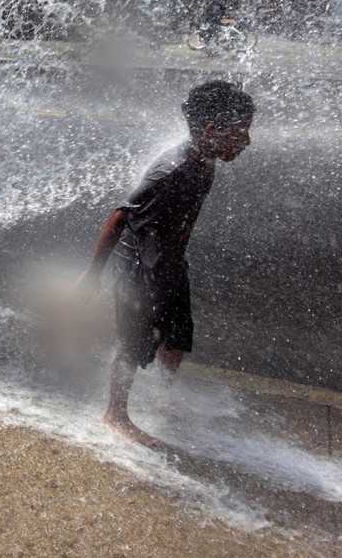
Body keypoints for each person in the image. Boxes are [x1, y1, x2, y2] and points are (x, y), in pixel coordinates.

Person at [78, 81, 255, 445]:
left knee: (175, 338)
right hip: (139, 267)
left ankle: (164, 396)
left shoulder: (204, 160)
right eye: (242, 131)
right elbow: (118, 218)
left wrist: (175, 260)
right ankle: (115, 414)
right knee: (132, 344)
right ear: (211, 130)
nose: (247, 141)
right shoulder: (172, 170)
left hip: (170, 262)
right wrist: (91, 276)